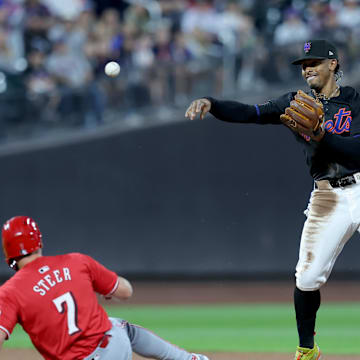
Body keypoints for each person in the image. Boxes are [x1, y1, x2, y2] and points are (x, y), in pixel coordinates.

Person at [185, 39, 360, 360]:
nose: (307, 68)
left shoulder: (355, 101)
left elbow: (357, 150)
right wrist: (212, 102)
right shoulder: (294, 102)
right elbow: (250, 113)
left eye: (314, 62)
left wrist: (322, 135)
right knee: (307, 278)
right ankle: (307, 349)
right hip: (327, 194)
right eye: (303, 64)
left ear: (333, 64)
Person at [0, 215, 210, 360]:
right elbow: (126, 291)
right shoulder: (76, 261)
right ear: (39, 242)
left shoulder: (9, 292)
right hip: (111, 350)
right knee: (119, 326)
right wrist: (102, 287)